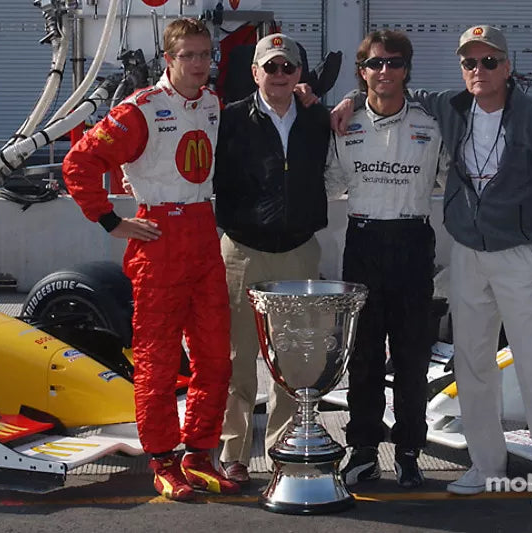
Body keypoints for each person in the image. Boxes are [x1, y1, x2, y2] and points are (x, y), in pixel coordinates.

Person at [332, 24, 532, 508]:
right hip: (467, 251)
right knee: (471, 362)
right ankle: (487, 464)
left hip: (521, 255)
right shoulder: (450, 106)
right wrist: (347, 97)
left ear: (507, 68)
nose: (479, 71)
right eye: (470, 62)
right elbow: (383, 80)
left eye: (490, 62)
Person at [62, 17, 239, 501]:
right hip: (159, 237)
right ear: (169, 59)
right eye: (190, 55)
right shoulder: (141, 107)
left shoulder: (213, 104)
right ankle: (162, 458)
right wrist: (110, 221)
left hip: (204, 234)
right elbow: (78, 162)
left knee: (214, 359)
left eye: (206, 55)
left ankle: (199, 453)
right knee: (157, 362)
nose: (200, 64)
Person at [324, 29, 442, 489]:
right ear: (362, 71)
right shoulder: (344, 122)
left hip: (413, 241)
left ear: (407, 69)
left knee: (413, 357)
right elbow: (329, 183)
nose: (385, 71)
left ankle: (410, 450)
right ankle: (364, 448)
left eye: (394, 63)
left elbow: (459, 175)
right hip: (364, 240)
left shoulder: (431, 122)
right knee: (365, 357)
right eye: (375, 64)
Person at [214, 33, 331, 483]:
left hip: (299, 252)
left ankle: (285, 449)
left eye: (288, 68)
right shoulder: (228, 120)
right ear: (254, 73)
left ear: (299, 74)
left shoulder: (318, 117)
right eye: (271, 67)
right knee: (238, 358)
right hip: (243, 252)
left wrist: (327, 104)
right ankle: (234, 454)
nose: (279, 75)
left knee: (294, 360)